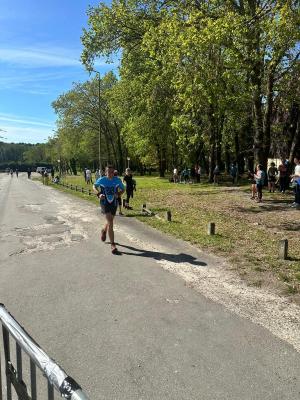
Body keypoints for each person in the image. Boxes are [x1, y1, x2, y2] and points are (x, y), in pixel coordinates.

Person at [93, 165, 125, 254]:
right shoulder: (102, 179)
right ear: (105, 172)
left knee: (110, 220)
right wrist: (99, 194)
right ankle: (113, 244)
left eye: (112, 172)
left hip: (114, 203)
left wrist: (118, 194)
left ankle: (104, 230)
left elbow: (123, 189)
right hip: (104, 203)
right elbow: (94, 186)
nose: (110, 174)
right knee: (110, 222)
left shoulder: (117, 180)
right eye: (108, 172)